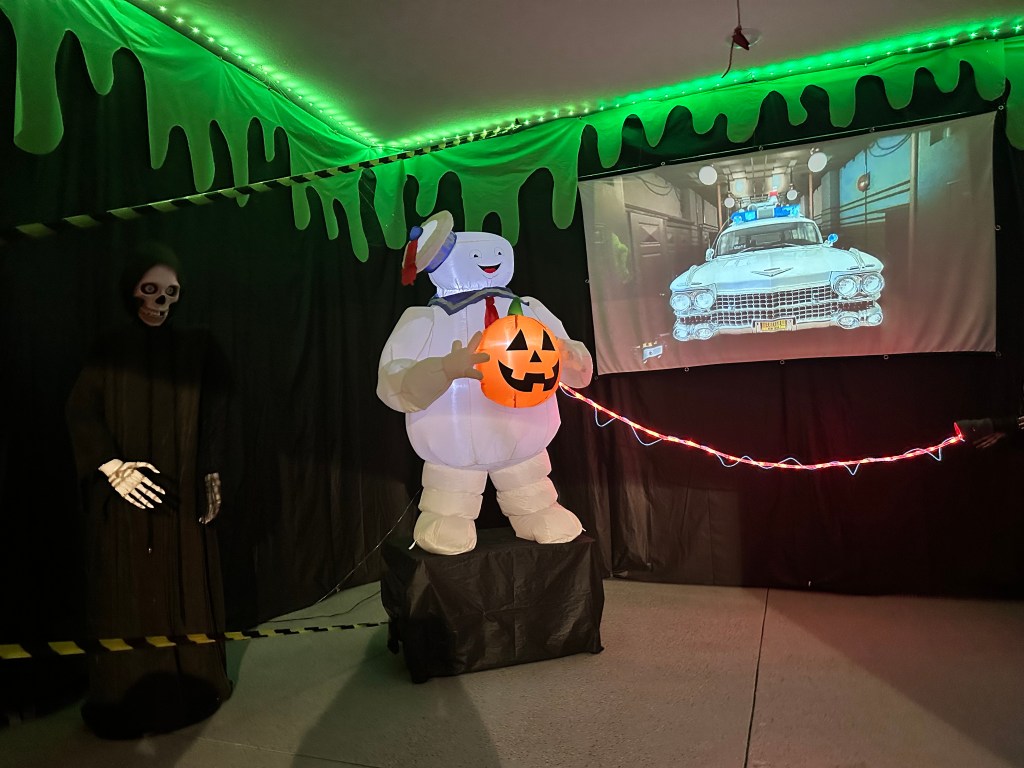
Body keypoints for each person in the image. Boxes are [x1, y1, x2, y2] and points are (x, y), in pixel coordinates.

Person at [66, 242, 232, 738]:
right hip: (127, 502)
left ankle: (195, 682)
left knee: (185, 585)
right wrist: (111, 465)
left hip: (181, 497)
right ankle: (128, 694)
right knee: (130, 590)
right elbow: (80, 410)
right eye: (150, 289)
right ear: (132, 291)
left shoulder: (197, 347)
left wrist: (211, 471)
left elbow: (217, 413)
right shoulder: (109, 348)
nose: (159, 302)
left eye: (170, 292)